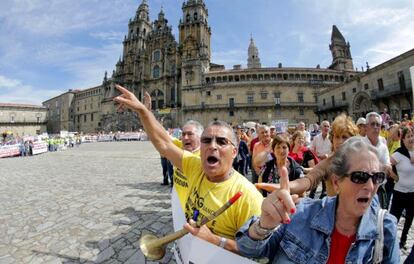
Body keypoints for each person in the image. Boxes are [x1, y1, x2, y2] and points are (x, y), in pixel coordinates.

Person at [114, 84, 263, 252]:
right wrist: (142, 110)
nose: (212, 147)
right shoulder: (195, 166)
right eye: (207, 141)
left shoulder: (250, 198)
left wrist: (214, 240)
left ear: (234, 151)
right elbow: (163, 142)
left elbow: (259, 253)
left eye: (221, 142)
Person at [236, 137, 399, 263]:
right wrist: (264, 226)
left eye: (377, 177)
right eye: (360, 177)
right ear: (336, 183)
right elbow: (247, 250)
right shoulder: (300, 214)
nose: (370, 186)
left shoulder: (385, 229)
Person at [256, 114, 359, 197]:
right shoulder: (328, 163)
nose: (340, 141)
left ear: (353, 139)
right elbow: (307, 181)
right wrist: (282, 186)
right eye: (337, 137)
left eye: (344, 137)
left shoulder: (362, 160)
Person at [363, 112, 396, 209]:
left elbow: (388, 168)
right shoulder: (359, 145)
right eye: (372, 124)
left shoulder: (383, 147)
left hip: (380, 189)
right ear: (366, 127)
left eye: (378, 124)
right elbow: (362, 168)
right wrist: (381, 167)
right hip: (364, 189)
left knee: (380, 219)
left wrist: (379, 167)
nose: (376, 127)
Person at [389, 126, 414, 249]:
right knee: (393, 220)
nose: (411, 138)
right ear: (403, 139)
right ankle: (390, 242)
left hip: (413, 194)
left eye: (412, 135)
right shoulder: (398, 153)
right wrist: (395, 177)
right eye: (408, 136)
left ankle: (403, 240)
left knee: (409, 219)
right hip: (399, 193)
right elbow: (386, 166)